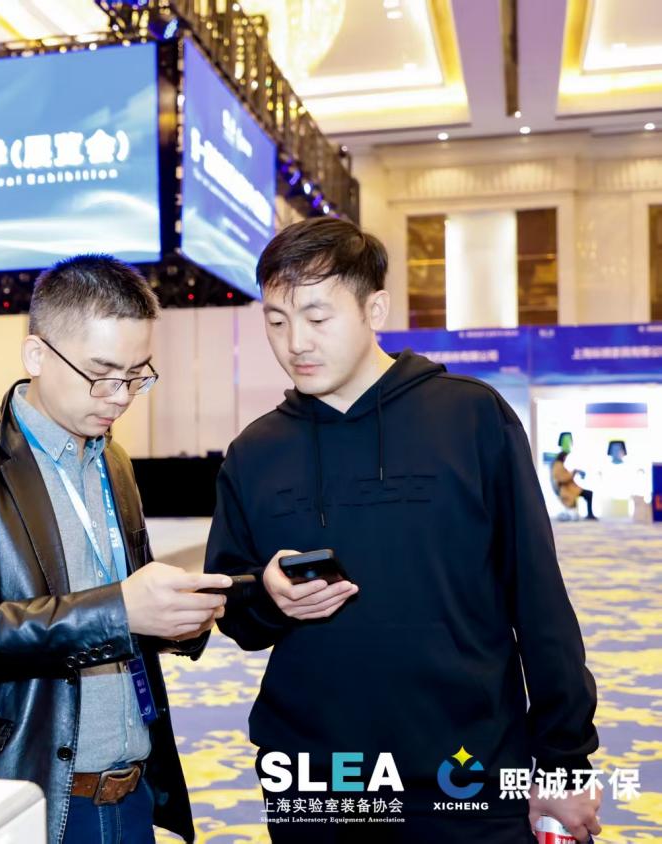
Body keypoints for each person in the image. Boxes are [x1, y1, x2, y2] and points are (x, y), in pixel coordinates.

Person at [204, 217, 600, 843]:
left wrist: (563, 761)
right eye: (276, 322)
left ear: (375, 309)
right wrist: (269, 597)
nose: (295, 342)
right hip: (316, 776)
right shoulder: (255, 452)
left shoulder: (471, 418)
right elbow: (236, 610)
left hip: (467, 766)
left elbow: (539, 600)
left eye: (317, 317)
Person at [0, 255, 231, 844]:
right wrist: (120, 610)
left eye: (136, 376)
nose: (120, 396)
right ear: (37, 355)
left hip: (132, 787)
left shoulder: (114, 460)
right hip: (31, 790)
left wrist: (175, 620)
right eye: (101, 374)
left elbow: (121, 603)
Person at [551, 451, 594, 521]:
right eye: (565, 457)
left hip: (571, 488)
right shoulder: (558, 466)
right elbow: (562, 478)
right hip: (567, 490)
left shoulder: (559, 465)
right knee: (588, 494)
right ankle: (589, 514)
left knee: (589, 494)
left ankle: (590, 514)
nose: (565, 459)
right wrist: (573, 472)